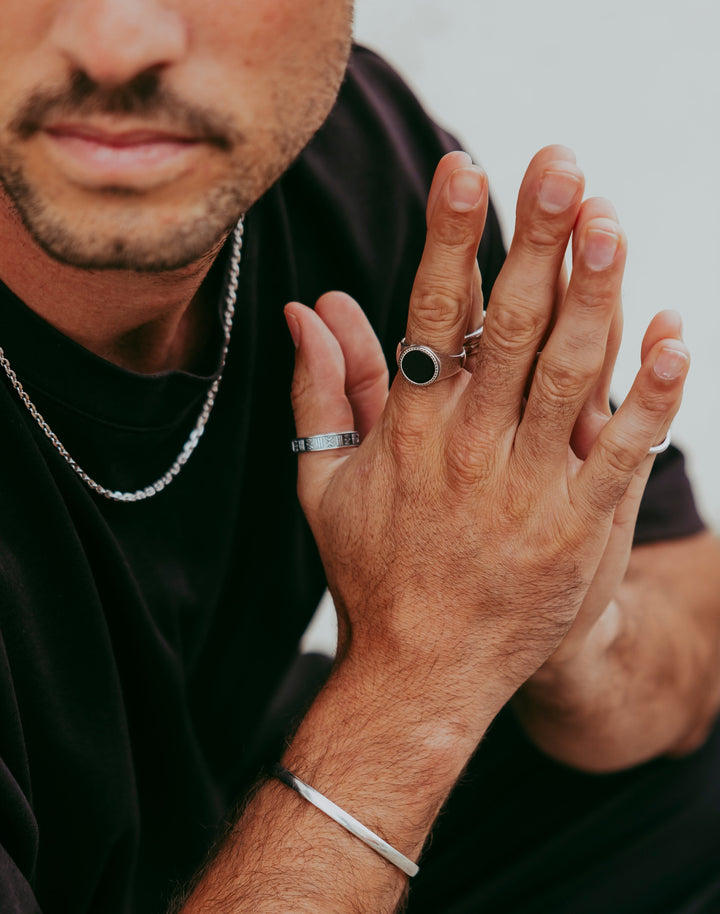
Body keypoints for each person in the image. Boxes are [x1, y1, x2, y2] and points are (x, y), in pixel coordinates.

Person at [0, 2, 718, 913]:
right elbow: (421, 680)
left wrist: (562, 632)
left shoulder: (345, 156)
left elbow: (690, 607)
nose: (120, 41)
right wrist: (422, 679)